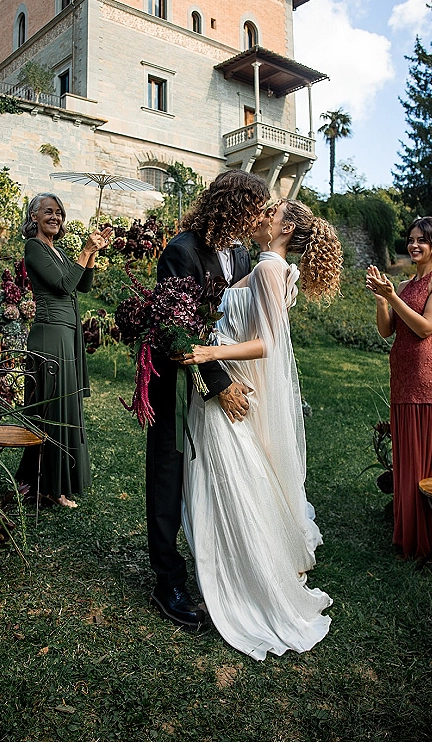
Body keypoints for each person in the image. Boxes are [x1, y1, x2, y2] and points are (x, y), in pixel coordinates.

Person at [179, 199, 341, 660]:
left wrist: (210, 355)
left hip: (229, 375)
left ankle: (244, 576)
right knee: (233, 476)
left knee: (231, 480)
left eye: (270, 213)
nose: (260, 216)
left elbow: (268, 343)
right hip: (224, 372)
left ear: (286, 227)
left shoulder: (271, 269)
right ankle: (237, 563)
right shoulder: (275, 266)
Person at [147, 170, 270, 628]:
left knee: (215, 475)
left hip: (225, 371)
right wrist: (219, 384)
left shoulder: (239, 253)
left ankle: (220, 567)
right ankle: (168, 581)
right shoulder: (181, 251)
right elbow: (180, 331)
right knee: (168, 474)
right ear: (233, 207)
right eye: (253, 209)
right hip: (179, 384)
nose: (259, 219)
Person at [366, 217, 432, 560]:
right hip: (402, 378)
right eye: (411, 239)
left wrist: (393, 296)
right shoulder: (406, 282)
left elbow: (425, 328)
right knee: (409, 460)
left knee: (429, 462)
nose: (414, 245)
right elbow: (386, 331)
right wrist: (382, 299)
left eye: (422, 240)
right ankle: (409, 534)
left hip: (427, 379)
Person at [16, 193, 108, 508]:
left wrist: (91, 253)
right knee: (53, 410)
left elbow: (83, 285)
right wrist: (85, 250)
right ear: (34, 217)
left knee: (63, 408)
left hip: (67, 335)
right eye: (48, 212)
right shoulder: (35, 248)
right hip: (50, 335)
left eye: (59, 212)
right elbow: (62, 285)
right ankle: (52, 488)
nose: (55, 217)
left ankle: (42, 484)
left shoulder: (56, 250)